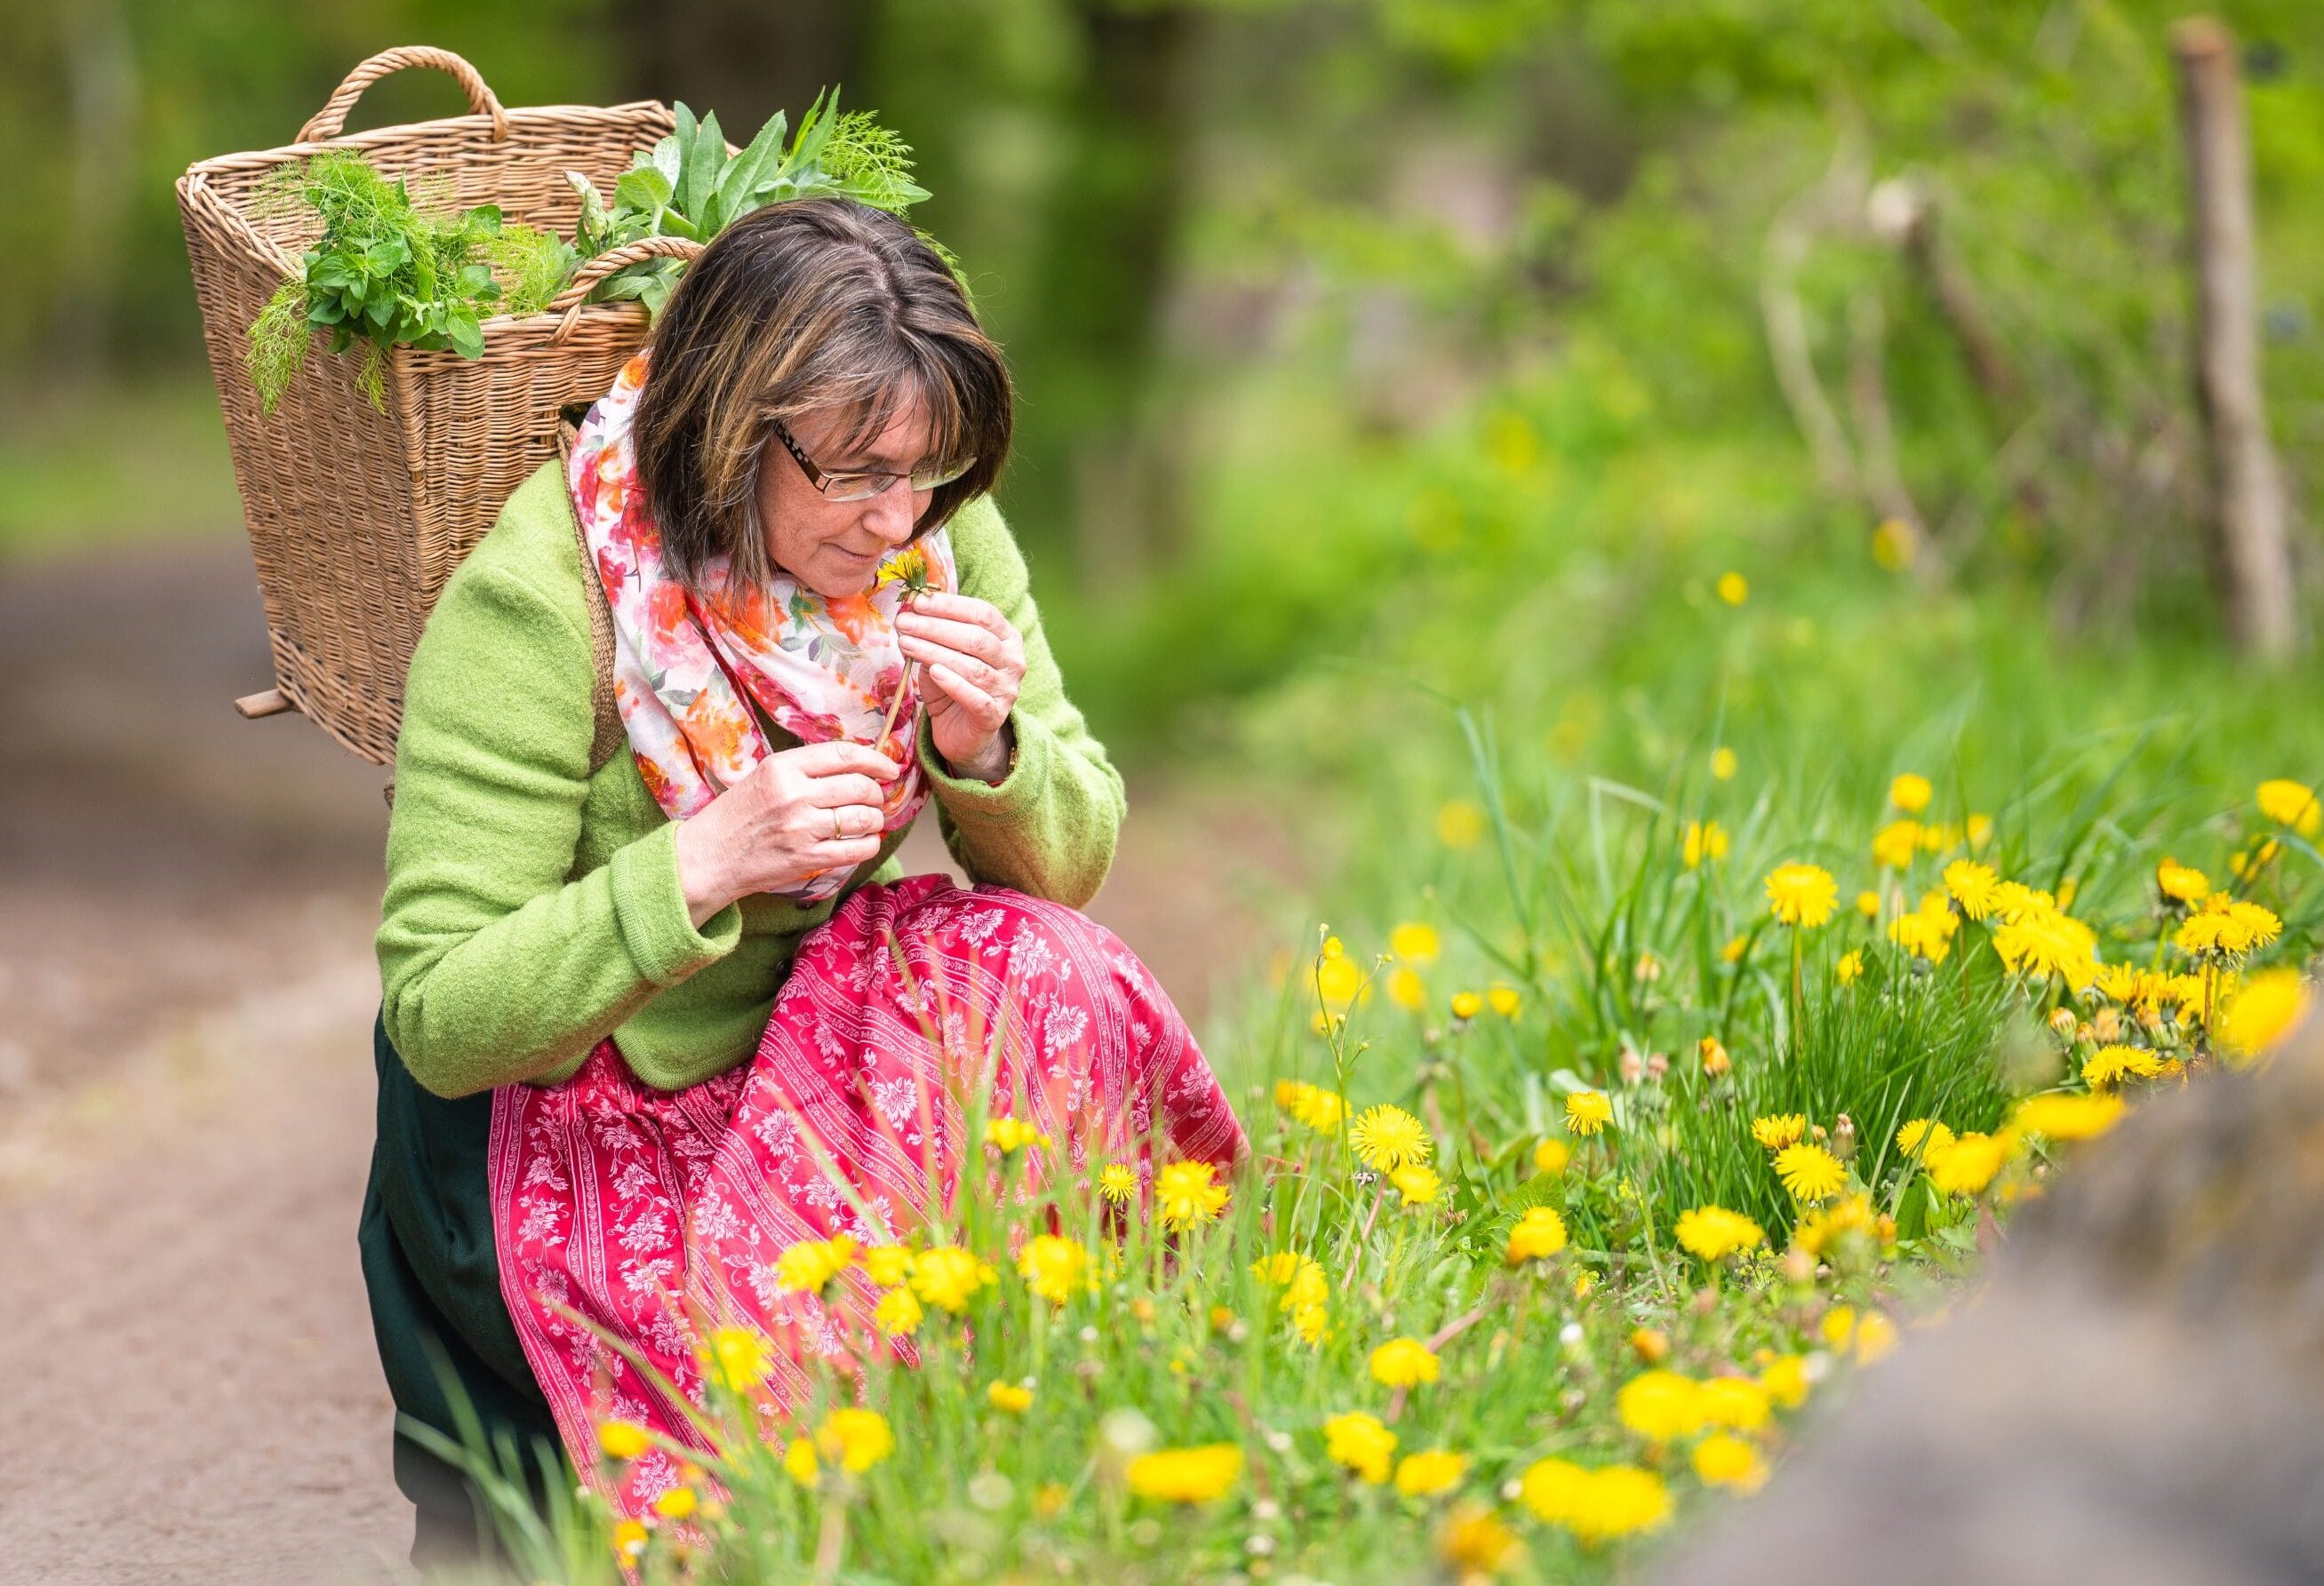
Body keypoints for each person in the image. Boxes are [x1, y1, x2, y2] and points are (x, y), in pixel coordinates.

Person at [359, 195, 1245, 1571]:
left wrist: (984, 745)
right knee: (738, 1419)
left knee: (1043, 969)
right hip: (586, 1092)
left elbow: (1069, 869)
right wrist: (701, 864)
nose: (898, 518)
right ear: (731, 430)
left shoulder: (933, 534)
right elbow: (437, 1009)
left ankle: (1056, 1428)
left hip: (818, 1050)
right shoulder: (545, 593)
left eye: (932, 472)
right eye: (854, 472)